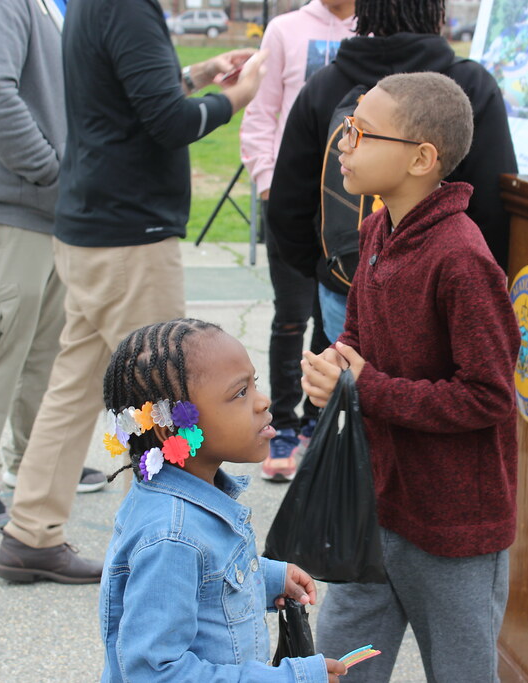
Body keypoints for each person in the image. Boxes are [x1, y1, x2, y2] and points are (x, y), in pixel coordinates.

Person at [0, 0, 269, 584]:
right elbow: (169, 123)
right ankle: (168, 544)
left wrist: (198, 74)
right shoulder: (128, 5)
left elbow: (125, 92)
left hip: (91, 222)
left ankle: (30, 531)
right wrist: (240, 96)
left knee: (75, 385)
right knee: (165, 394)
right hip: (129, 234)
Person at [300, 72, 520, 682]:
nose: (344, 142)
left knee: (461, 672)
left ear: (422, 158)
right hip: (376, 503)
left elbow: (489, 395)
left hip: (453, 528)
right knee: (339, 666)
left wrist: (367, 388)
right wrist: (335, 367)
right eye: (347, 127)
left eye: (362, 132)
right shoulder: (376, 230)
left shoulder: (462, 259)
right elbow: (362, 337)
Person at [98, 319, 348, 682]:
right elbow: (155, 673)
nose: (263, 401)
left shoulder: (199, 495)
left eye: (254, 384)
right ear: (172, 427)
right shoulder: (172, 536)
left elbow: (208, 586)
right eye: (239, 393)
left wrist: (267, 577)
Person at [0, 0, 107, 532]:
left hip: (51, 210)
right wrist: (54, 173)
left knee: (45, 346)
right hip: (8, 206)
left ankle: (34, 460)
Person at [268, 0, 517, 342]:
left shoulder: (325, 84)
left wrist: (326, 271)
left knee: (343, 388)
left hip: (342, 286)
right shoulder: (471, 85)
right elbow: (494, 206)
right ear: (435, 9)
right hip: (440, 297)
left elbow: (288, 204)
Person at [239, 0, 355, 482]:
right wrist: (270, 184)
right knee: (292, 316)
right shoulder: (285, 30)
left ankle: (317, 421)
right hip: (291, 201)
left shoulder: (374, 30)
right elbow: (260, 117)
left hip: (347, 204)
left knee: (335, 320)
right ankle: (281, 424)